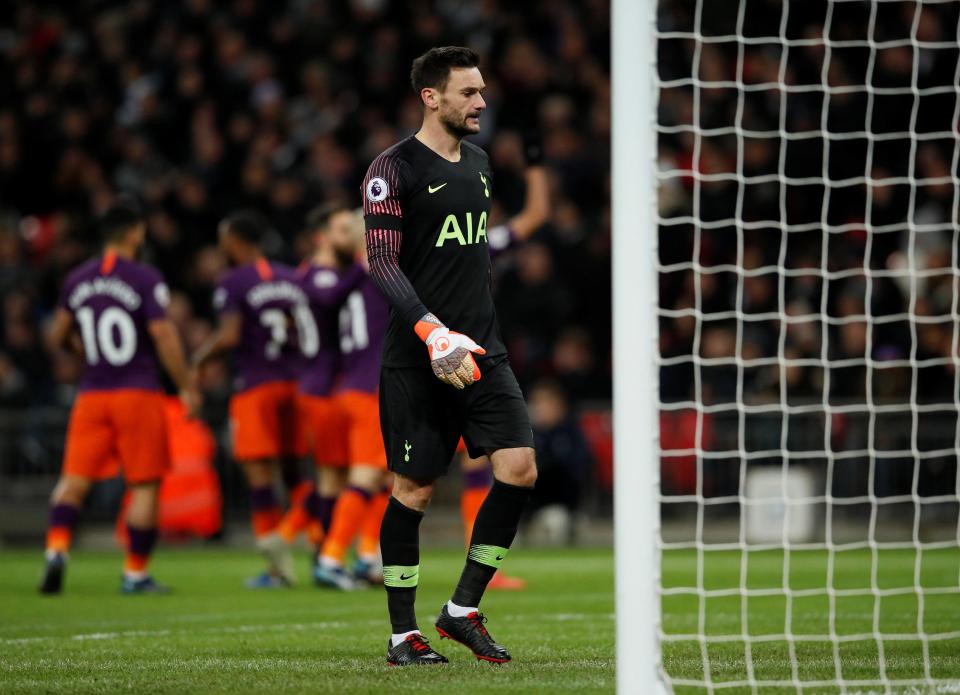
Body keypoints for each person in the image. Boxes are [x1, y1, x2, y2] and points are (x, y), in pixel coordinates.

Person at [363, 46, 538, 666]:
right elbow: (381, 261)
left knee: (519, 469)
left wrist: (465, 336)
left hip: (481, 350)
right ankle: (401, 635)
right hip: (418, 355)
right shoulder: (392, 169)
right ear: (431, 97)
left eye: (482, 91)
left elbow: (473, 257)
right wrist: (433, 333)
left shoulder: (483, 165)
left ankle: (461, 610)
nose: (481, 102)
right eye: (469, 92)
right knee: (413, 489)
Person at [40, 201, 200, 595]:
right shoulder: (144, 277)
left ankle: (57, 550)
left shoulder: (77, 278)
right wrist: (185, 385)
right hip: (137, 391)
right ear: (135, 233)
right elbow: (162, 334)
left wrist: (82, 352)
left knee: (72, 482)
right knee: (144, 486)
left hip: (92, 393)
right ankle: (135, 573)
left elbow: (56, 333)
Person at [192, 210, 309, 587]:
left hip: (256, 386)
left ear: (235, 241)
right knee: (297, 473)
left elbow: (229, 335)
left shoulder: (232, 281)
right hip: (296, 384)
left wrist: (197, 360)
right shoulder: (292, 278)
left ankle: (275, 565)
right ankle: (324, 551)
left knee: (260, 478)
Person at [310, 207, 391, 590]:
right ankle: (331, 556)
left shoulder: (351, 279)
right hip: (369, 388)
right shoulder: (380, 272)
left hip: (354, 384)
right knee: (365, 474)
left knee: (385, 475)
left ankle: (367, 556)